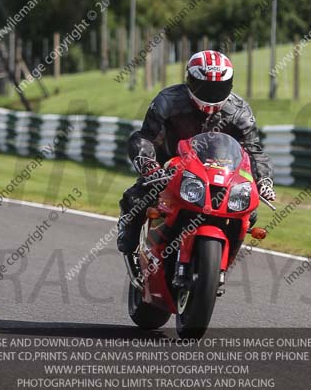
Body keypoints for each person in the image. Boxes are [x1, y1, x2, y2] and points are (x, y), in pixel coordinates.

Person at [116, 50, 276, 254]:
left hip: (219, 171)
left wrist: (263, 181)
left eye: (218, 87)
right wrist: (149, 165)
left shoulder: (239, 111)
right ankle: (131, 239)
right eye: (204, 86)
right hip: (169, 165)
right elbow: (146, 137)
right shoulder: (168, 100)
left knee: (247, 212)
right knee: (138, 199)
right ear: (190, 80)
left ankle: (219, 264)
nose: (211, 93)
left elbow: (253, 150)